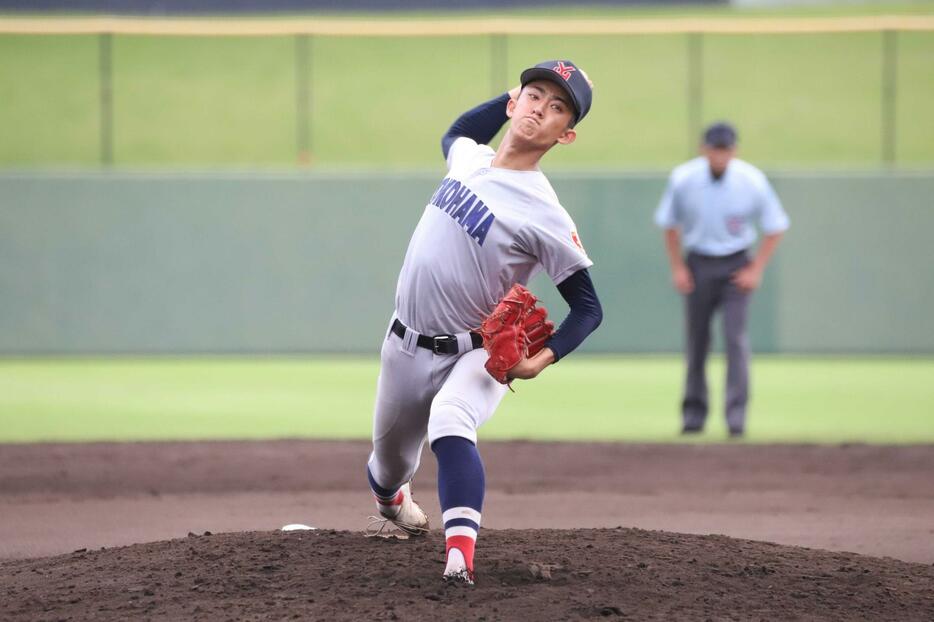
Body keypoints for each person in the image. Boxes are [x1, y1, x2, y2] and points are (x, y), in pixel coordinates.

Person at [365, 60, 603, 585]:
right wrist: (506, 97)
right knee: (386, 468)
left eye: (557, 107)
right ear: (516, 102)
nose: (541, 108)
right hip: (403, 344)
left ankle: (459, 561)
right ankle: (392, 499)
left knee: (452, 418)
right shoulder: (469, 160)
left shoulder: (545, 213)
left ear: (566, 135)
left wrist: (538, 362)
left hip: (474, 350)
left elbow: (588, 307)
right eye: (535, 95)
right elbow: (457, 134)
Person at [654, 122, 789, 438]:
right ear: (704, 149)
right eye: (715, 149)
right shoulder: (684, 179)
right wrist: (678, 268)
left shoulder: (751, 181)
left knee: (735, 339)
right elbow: (670, 226)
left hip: (734, 265)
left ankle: (736, 418)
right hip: (699, 262)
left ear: (734, 151)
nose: (720, 155)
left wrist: (756, 269)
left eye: (726, 149)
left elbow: (776, 225)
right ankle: (693, 417)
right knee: (697, 342)